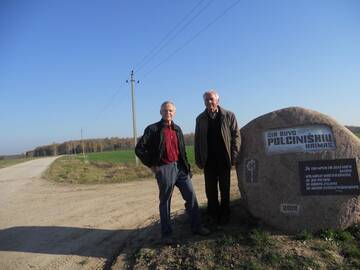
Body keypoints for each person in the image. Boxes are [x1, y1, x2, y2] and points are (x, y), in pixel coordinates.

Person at [135, 101, 210, 244]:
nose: (167, 113)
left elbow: (182, 151)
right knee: (165, 202)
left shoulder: (178, 129)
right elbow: (139, 149)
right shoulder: (153, 129)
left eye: (170, 111)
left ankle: (197, 227)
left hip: (180, 168)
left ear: (174, 112)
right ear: (160, 112)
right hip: (164, 168)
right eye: (164, 110)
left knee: (191, 196)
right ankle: (167, 235)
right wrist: (152, 165)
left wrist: (187, 168)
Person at [195, 90, 241, 225]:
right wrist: (198, 159)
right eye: (206, 100)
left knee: (225, 189)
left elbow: (236, 136)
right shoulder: (200, 118)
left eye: (211, 99)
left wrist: (234, 156)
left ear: (217, 101)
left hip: (224, 159)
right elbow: (197, 140)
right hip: (208, 160)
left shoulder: (229, 115)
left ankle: (225, 214)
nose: (209, 102)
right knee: (210, 190)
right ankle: (213, 214)